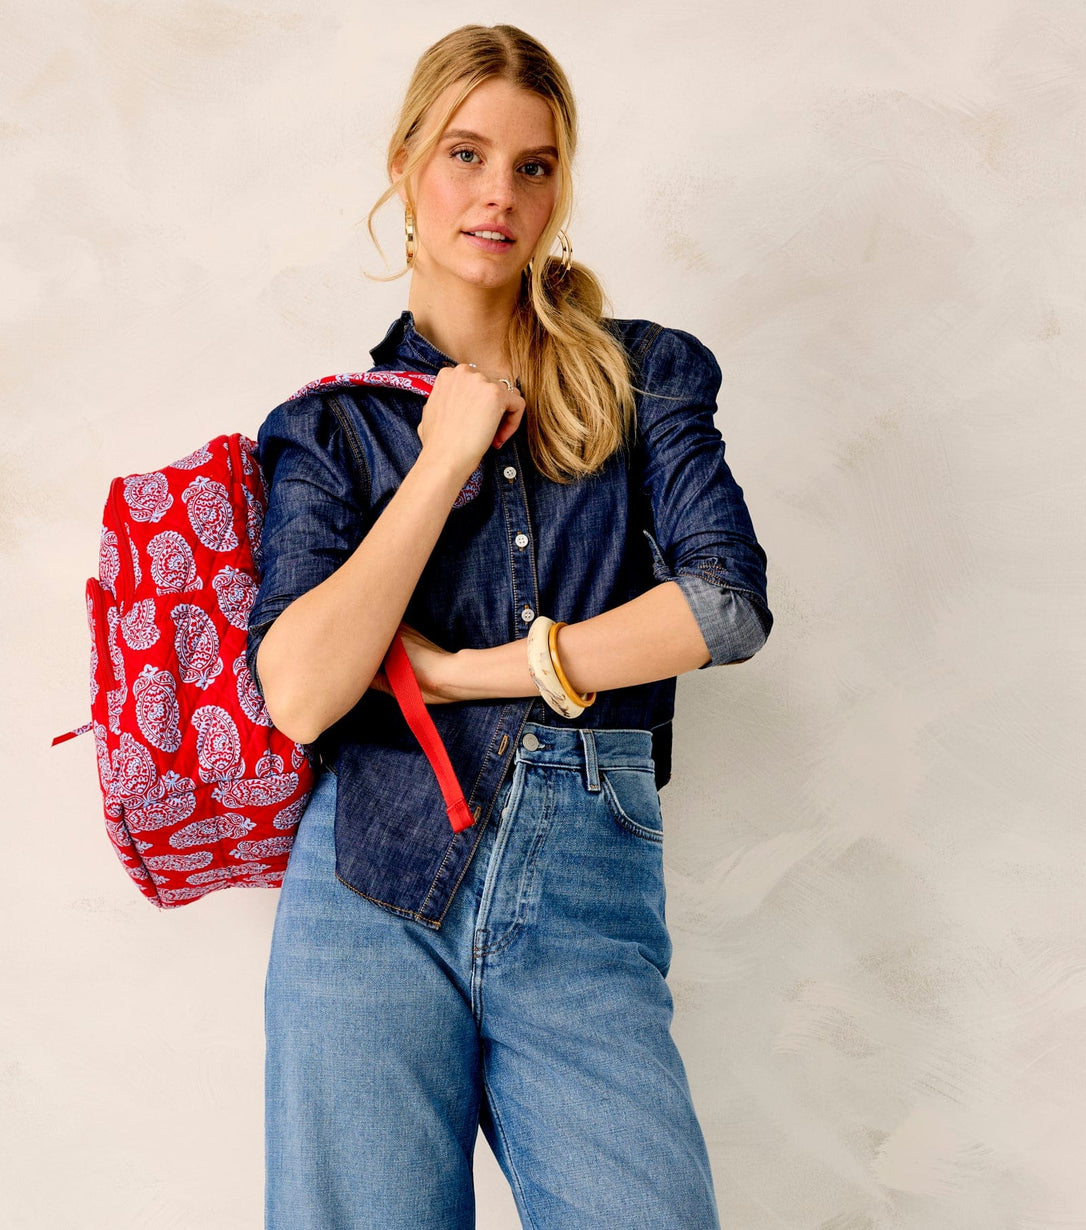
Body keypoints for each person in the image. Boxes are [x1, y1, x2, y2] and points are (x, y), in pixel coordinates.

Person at [246, 23, 772, 1230]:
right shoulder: (330, 431)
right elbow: (304, 694)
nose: (499, 194)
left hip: (585, 886)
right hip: (368, 888)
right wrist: (441, 457)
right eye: (466, 154)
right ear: (404, 167)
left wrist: (469, 673)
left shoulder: (647, 375)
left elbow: (727, 602)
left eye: (533, 166)